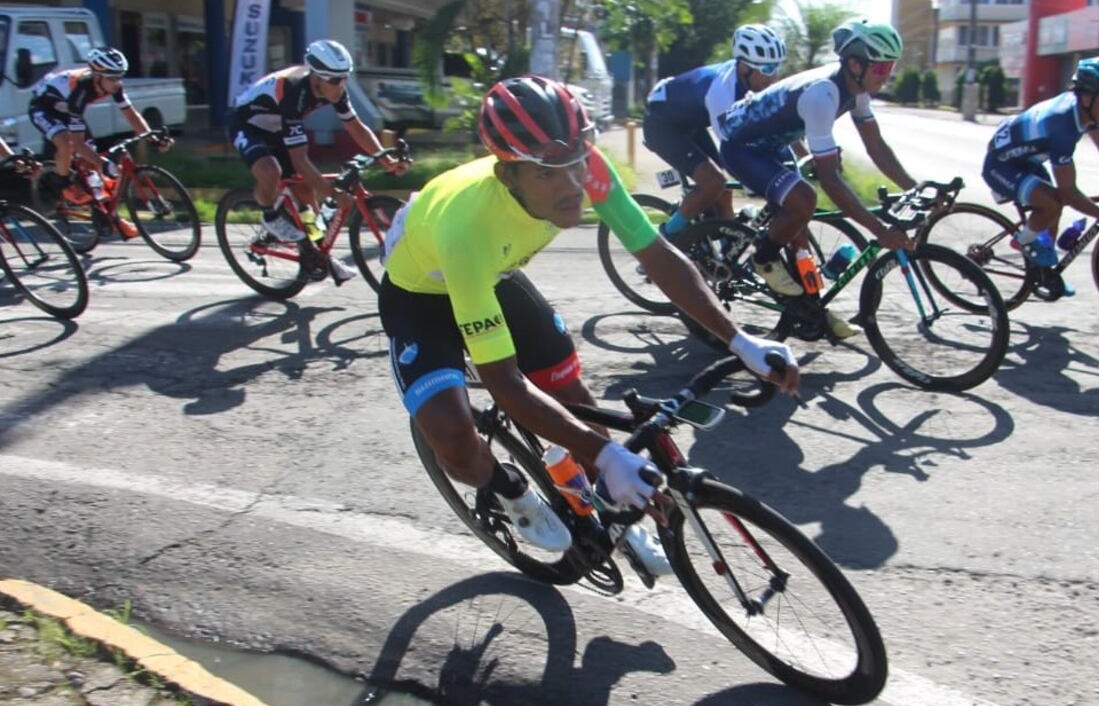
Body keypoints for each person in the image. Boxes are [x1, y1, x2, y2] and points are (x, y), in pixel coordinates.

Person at [377, 75, 800, 587]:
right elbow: (505, 384)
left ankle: (613, 516)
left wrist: (741, 340)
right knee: (455, 442)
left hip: (494, 274)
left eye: (578, 158)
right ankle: (509, 486)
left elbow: (658, 256)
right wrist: (607, 454)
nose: (573, 181)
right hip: (424, 291)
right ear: (509, 174)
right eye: (551, 172)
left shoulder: (587, 169)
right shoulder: (467, 227)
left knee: (571, 393)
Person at [717, 20, 920, 340]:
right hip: (742, 147)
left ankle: (812, 311)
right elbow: (831, 180)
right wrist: (879, 231)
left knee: (800, 232)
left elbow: (877, 148)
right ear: (855, 64)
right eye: (881, 69)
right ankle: (763, 258)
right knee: (804, 199)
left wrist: (914, 188)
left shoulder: (857, 89)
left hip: (771, 143)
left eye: (890, 68)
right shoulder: (822, 94)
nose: (887, 76)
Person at [227, 39, 407, 283]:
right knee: (271, 171)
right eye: (335, 80)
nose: (341, 85)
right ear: (316, 78)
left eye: (345, 78)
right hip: (248, 125)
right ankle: (269, 216)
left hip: (278, 127)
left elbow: (355, 127)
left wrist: (385, 156)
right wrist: (331, 192)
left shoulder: (335, 89)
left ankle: (317, 253)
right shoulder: (292, 92)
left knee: (305, 195)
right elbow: (300, 159)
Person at [982, 56, 1099, 299]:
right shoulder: (1062, 125)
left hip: (1026, 160)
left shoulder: (1085, 112)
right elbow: (1069, 193)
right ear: (1088, 97)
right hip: (1001, 165)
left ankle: (1044, 273)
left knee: (1052, 216)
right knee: (1052, 204)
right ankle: (1023, 241)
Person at [643, 24, 786, 236]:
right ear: (745, 68)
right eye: (767, 69)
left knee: (724, 189)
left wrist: (803, 157)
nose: (773, 77)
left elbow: (777, 124)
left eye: (777, 67)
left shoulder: (749, 83)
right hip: (661, 125)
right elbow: (732, 148)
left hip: (688, 122)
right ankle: (662, 241)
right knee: (714, 182)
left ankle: (728, 248)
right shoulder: (721, 93)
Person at [28, 47, 171, 239]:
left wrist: (151, 138)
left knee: (92, 160)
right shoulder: (80, 91)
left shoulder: (113, 85)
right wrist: (104, 164)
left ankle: (105, 213)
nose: (116, 83)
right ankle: (60, 183)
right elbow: (77, 143)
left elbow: (131, 115)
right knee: (66, 143)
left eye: (119, 77)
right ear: (97, 77)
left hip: (67, 110)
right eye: (112, 78)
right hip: (43, 108)